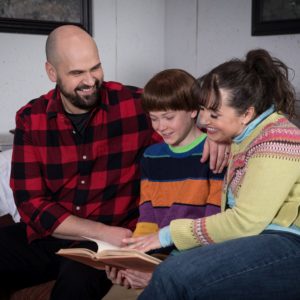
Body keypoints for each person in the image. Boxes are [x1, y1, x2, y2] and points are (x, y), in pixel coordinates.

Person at [0, 25, 228, 299]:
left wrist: (215, 134)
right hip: (54, 235)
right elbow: (30, 202)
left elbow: (182, 119)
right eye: (76, 73)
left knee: (76, 285)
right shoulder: (31, 118)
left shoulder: (135, 105)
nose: (90, 80)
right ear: (52, 72)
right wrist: (103, 231)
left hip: (106, 246)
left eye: (95, 68)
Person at [123, 49, 300, 299]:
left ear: (247, 113)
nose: (203, 120)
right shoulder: (242, 135)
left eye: (214, 114)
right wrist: (219, 137)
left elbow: (245, 222)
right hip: (261, 239)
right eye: (203, 109)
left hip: (289, 242)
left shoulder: (278, 139)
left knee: (174, 274)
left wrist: (167, 234)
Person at [105, 69, 225, 289]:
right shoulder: (151, 156)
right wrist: (134, 256)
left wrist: (162, 269)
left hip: (195, 257)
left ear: (192, 110)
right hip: (158, 254)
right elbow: (147, 216)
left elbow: (212, 225)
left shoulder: (213, 153)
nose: (161, 127)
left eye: (168, 117)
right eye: (154, 118)